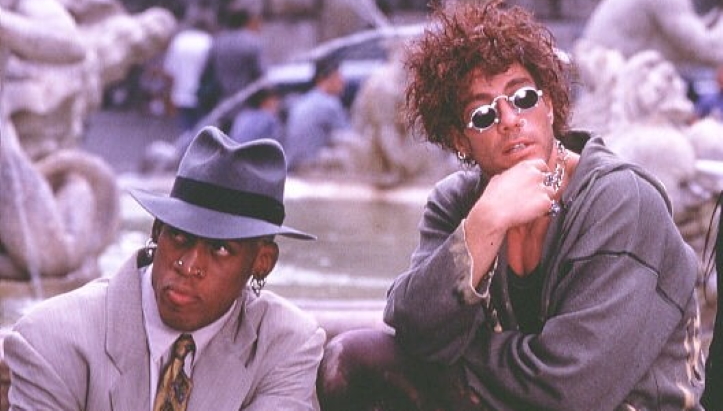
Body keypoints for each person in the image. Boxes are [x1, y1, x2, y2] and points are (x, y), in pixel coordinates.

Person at [316, 1, 705, 410]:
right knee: (351, 360)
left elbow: (572, 389)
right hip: (511, 398)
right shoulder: (458, 203)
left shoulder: (620, 200)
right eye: (482, 114)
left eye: (522, 96)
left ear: (549, 105)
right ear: (460, 140)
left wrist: (458, 351)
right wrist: (485, 223)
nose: (509, 119)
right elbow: (413, 329)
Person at [3, 126, 326, 410]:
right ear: (157, 231)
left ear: (262, 262)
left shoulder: (286, 343)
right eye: (180, 237)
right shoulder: (52, 336)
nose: (189, 266)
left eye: (220, 248)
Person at [284, 54, 351, 172]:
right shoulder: (329, 104)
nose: (343, 81)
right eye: (338, 76)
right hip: (313, 168)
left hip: (293, 167)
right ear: (325, 79)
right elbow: (348, 139)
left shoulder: (301, 102)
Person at [162, 10, 214, 131]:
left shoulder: (180, 40)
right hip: (203, 95)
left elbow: (169, 71)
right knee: (203, 131)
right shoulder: (209, 41)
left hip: (180, 94)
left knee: (185, 131)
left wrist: (167, 96)